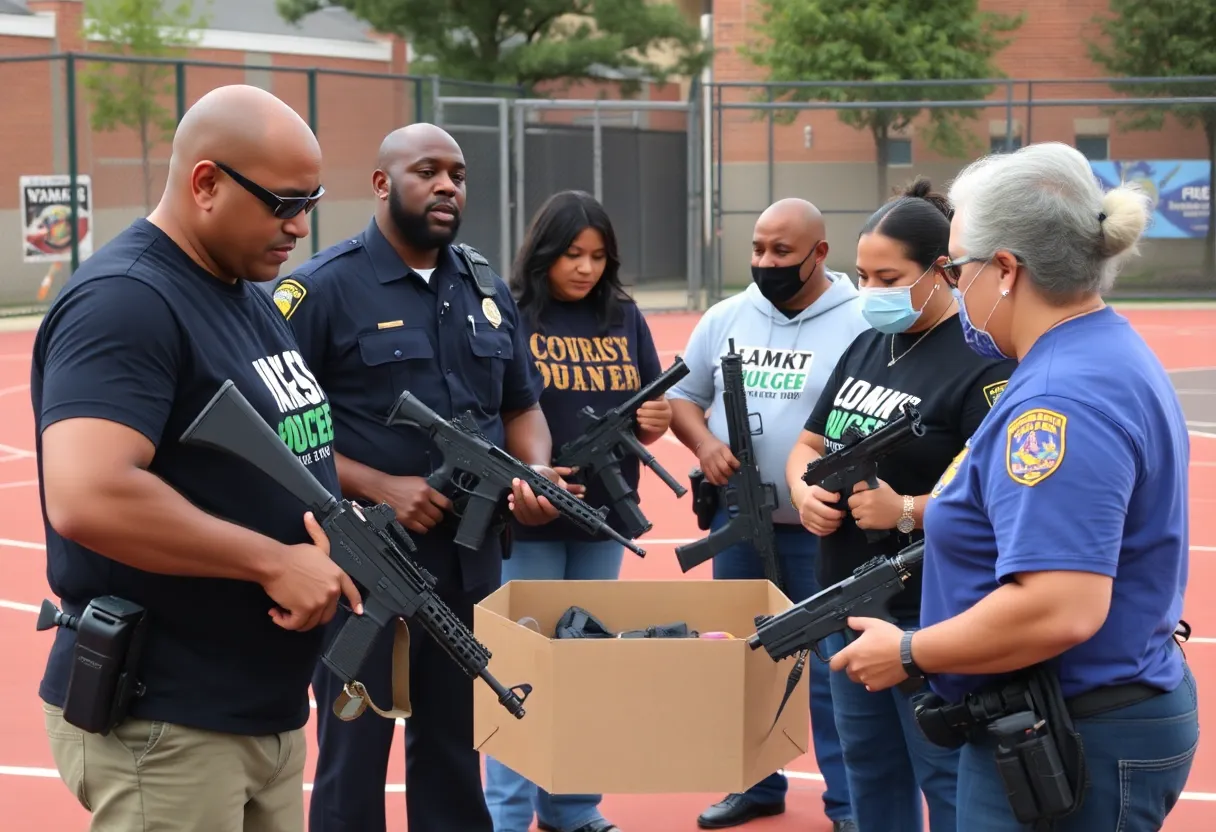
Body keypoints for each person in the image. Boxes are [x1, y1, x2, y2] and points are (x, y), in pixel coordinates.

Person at [829, 142, 1198, 831]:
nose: (952, 283)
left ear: (1004, 269)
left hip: (1071, 729)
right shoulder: (1089, 350)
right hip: (1069, 714)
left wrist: (908, 650)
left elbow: (1059, 607)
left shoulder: (1058, 400)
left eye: (956, 265)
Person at [32, 84, 357, 831]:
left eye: (310, 201)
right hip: (169, 722)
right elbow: (89, 494)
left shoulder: (241, 291)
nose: (300, 227)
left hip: (255, 711)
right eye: (282, 203)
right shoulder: (126, 301)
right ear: (206, 183)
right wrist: (272, 562)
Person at [273, 123, 559, 832]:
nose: (446, 186)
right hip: (365, 569)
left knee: (457, 752)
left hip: (468, 567)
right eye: (426, 171)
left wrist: (535, 471)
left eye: (457, 175)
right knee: (353, 755)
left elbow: (522, 405)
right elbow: (276, 431)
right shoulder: (317, 291)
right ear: (381, 183)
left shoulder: (486, 287)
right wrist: (378, 484)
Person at [786, 178, 1017, 832]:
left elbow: (997, 493)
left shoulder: (982, 361)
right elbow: (806, 444)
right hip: (845, 600)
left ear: (941, 270)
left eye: (888, 276)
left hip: (927, 613)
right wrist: (805, 490)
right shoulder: (869, 341)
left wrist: (907, 510)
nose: (871, 291)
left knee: (945, 777)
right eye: (861, 275)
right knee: (868, 770)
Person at [666, 198, 867, 831]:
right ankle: (754, 784)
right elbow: (682, 398)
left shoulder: (862, 321)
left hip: (827, 527)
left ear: (819, 254)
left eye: (781, 252)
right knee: (747, 660)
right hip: (740, 527)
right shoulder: (726, 317)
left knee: (836, 668)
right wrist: (706, 445)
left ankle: (849, 802)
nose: (765, 263)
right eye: (758, 249)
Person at [480, 190, 670, 832]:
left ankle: (572, 810)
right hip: (528, 520)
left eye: (597, 256)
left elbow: (647, 415)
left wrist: (658, 420)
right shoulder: (510, 313)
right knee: (518, 669)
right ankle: (504, 815)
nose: (585, 268)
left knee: (584, 663)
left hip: (606, 523)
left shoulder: (622, 316)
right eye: (571, 254)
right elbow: (498, 410)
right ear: (543, 254)